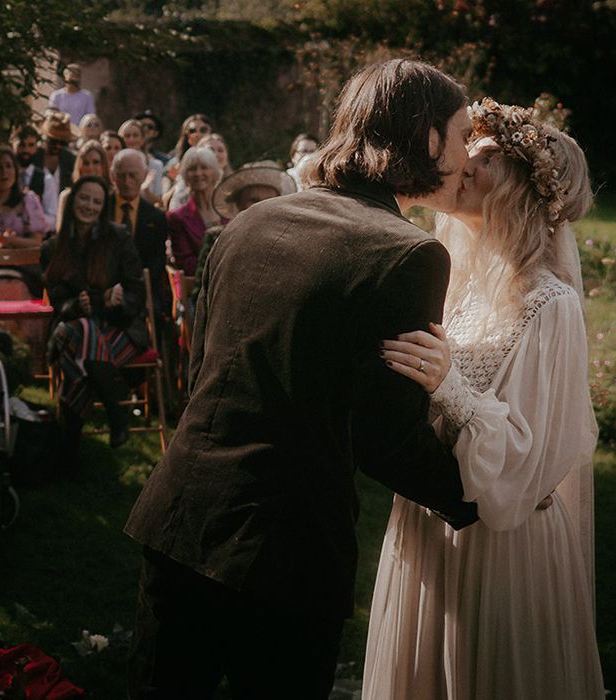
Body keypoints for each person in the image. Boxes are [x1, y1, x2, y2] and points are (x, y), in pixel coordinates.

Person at [124, 59, 479, 699]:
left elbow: (203, 370)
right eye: (460, 133)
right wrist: (486, 498)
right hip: (286, 553)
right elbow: (386, 438)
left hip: (178, 521)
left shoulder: (249, 222)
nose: (465, 152)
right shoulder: (410, 255)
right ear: (427, 137)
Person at [362, 99, 604, 699]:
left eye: (489, 156)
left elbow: (530, 457)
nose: (465, 162)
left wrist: (449, 386)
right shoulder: (446, 282)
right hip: (425, 522)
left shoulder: (550, 305)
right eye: (469, 148)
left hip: (500, 547)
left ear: (525, 188)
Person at [41, 176, 149, 469]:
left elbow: (137, 293)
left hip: (121, 329)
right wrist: (74, 305)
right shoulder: (53, 247)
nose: (89, 206)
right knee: (80, 331)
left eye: (96, 201)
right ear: (73, 200)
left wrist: (119, 301)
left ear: (103, 207)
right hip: (76, 327)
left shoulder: (118, 237)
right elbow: (56, 301)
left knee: (77, 344)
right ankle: (116, 414)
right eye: (84, 198)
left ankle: (68, 450)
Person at [190, 160, 296, 302]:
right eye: (253, 200)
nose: (261, 206)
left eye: (269, 200)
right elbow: (199, 294)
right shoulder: (217, 237)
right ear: (239, 204)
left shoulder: (287, 241)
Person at [108, 149, 167, 318]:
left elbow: (157, 262)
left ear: (144, 176)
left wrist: (134, 286)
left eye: (133, 175)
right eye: (122, 175)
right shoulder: (102, 210)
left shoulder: (156, 217)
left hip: (142, 289)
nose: (127, 182)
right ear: (113, 176)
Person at [166, 146, 225, 274]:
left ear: (214, 173)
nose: (198, 173)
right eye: (192, 169)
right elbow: (185, 263)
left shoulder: (230, 212)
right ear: (185, 175)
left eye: (204, 168)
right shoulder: (177, 218)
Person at [11, 125, 58, 232]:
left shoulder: (46, 179)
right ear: (12, 145)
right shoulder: (4, 176)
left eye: (31, 145)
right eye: (21, 145)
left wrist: (33, 220)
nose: (26, 150)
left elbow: (53, 219)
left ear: (36, 148)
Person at [55, 140, 109, 230]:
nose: (90, 168)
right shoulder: (67, 197)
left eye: (96, 162)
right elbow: (61, 234)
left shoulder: (112, 195)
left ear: (103, 165)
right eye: (86, 163)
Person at [118, 119, 163, 204]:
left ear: (142, 139)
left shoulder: (156, 166)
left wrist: (145, 191)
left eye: (135, 135)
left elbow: (159, 202)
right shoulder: (115, 166)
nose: (131, 139)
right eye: (127, 136)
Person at [31, 111, 77, 194]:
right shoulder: (32, 156)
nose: (58, 146)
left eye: (63, 143)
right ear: (44, 137)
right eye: (53, 142)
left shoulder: (71, 160)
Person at [48, 63, 97, 127]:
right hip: (60, 130)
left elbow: (90, 117)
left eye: (76, 75)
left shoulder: (87, 96)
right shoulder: (56, 95)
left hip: (80, 132)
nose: (73, 80)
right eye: (70, 78)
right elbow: (52, 113)